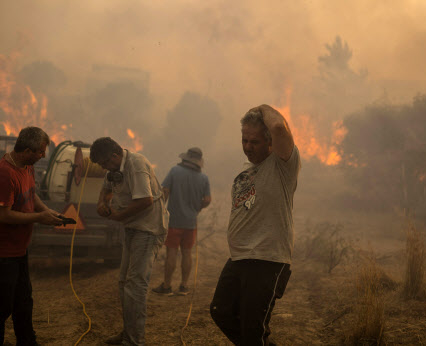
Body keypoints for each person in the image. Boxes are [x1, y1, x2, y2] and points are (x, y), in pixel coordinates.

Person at [210, 104, 301, 345]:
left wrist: (262, 108)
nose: (248, 147)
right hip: (240, 256)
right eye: (244, 140)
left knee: (253, 329)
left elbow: (280, 127)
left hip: (267, 258)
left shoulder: (282, 166)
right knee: (221, 312)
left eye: (255, 142)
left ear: (270, 143)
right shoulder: (246, 171)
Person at [0, 126, 64, 346]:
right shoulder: (4, 175)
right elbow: (2, 215)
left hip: (18, 250)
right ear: (26, 150)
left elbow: (31, 196)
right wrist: (38, 218)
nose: (43, 156)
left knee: (23, 303)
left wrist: (46, 211)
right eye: (41, 152)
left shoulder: (27, 167)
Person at [90, 137, 168, 346]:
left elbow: (146, 200)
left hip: (148, 228)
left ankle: (135, 341)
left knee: (135, 285)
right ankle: (128, 333)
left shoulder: (137, 164)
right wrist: (101, 203)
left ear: (115, 156)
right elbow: (106, 189)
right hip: (132, 227)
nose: (104, 168)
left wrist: (118, 216)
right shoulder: (113, 168)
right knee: (124, 282)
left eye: (105, 163)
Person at [152, 147, 212, 296]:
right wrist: (197, 208)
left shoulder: (174, 171)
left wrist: (162, 211)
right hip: (190, 223)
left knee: (171, 252)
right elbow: (207, 200)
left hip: (173, 221)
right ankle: (184, 286)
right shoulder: (203, 178)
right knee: (187, 253)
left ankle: (166, 286)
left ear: (185, 158)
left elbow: (164, 191)